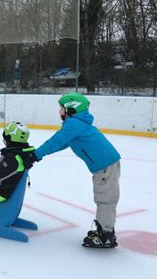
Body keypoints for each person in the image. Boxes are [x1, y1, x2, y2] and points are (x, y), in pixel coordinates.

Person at [31, 92, 121, 248]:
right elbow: (62, 143)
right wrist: (37, 155)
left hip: (104, 167)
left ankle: (105, 235)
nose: (59, 112)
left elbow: (56, 140)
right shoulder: (78, 123)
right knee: (106, 198)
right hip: (107, 164)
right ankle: (105, 230)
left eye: (61, 108)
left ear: (72, 109)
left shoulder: (73, 124)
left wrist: (36, 154)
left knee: (105, 199)